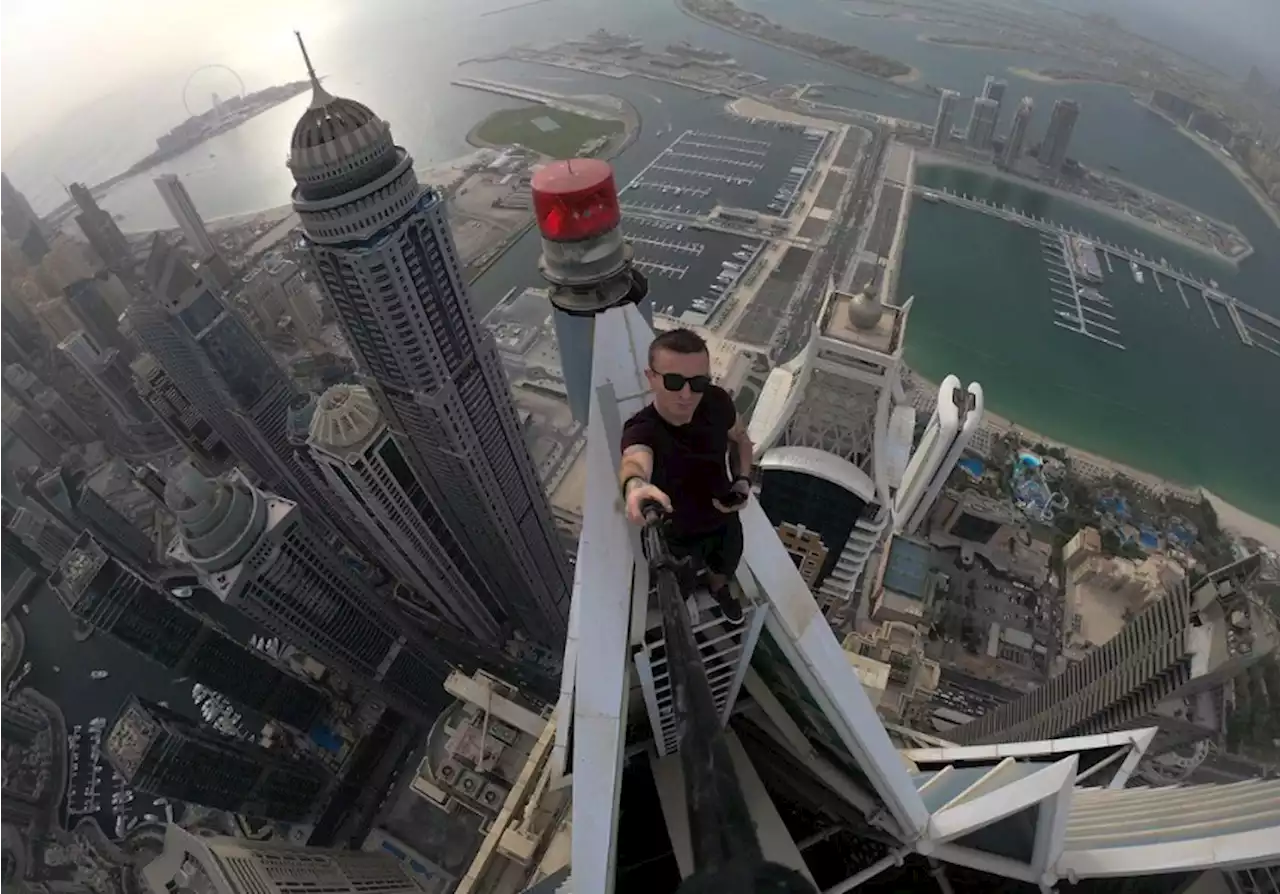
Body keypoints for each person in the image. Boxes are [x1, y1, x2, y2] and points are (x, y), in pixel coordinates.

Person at [619, 328, 754, 624]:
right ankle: (686, 597)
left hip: (722, 517)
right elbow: (635, 461)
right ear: (651, 377)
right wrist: (635, 486)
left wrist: (743, 480)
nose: (686, 394)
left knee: (724, 568)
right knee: (680, 583)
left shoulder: (717, 402)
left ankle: (720, 591)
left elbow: (741, 439)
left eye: (698, 382)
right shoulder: (642, 429)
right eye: (674, 381)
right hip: (674, 532)